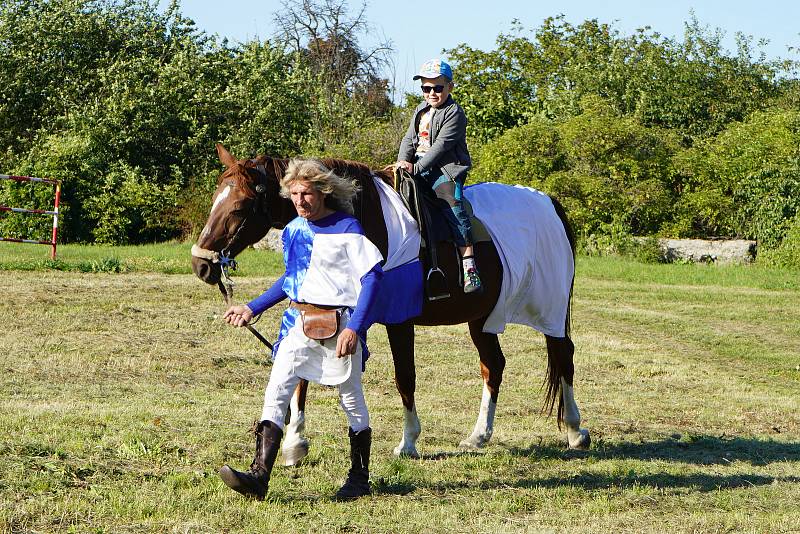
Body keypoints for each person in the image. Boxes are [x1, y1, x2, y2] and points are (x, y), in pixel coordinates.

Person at [219, 159, 384, 501]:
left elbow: (372, 276)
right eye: (294, 194)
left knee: (350, 398)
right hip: (298, 324)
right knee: (277, 390)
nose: (300, 201)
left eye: (306, 193)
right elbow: (292, 280)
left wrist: (355, 327)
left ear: (323, 192)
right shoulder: (294, 230)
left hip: (338, 325)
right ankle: (258, 477)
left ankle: (359, 479)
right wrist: (252, 307)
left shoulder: (348, 228)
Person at [396, 58, 482, 294]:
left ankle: (469, 266)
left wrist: (417, 167)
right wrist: (403, 161)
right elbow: (409, 139)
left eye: (437, 88)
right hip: (417, 167)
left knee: (453, 206)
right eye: (426, 88)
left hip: (445, 169)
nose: (432, 93)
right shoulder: (420, 111)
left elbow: (442, 146)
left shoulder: (455, 113)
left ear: (449, 87)